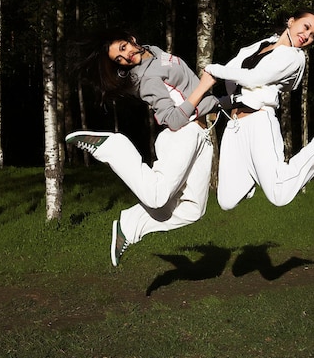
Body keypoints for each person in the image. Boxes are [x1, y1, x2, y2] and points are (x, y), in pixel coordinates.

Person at [66, 28, 218, 266]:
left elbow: (193, 95)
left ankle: (131, 224)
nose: (126, 56)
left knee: (193, 210)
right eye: (119, 58)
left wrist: (228, 103)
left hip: (202, 134)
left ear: (131, 38)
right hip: (184, 134)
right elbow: (173, 119)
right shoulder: (146, 79)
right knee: (157, 197)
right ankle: (114, 147)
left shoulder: (155, 52)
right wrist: (204, 87)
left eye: (124, 48)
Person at [202, 10, 314, 211]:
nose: (307, 36)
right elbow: (235, 81)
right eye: (306, 27)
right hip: (235, 127)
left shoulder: (294, 57)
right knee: (226, 201)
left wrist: (212, 69)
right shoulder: (262, 45)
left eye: (313, 35)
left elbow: (253, 78)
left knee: (279, 195)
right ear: (291, 21)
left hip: (259, 122)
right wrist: (217, 102)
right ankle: (257, 173)